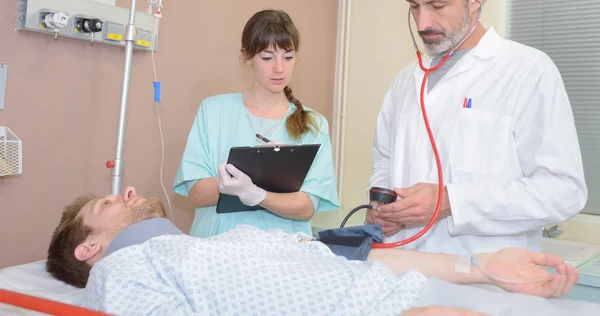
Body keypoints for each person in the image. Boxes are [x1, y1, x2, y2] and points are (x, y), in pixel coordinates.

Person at [45, 187, 600, 316]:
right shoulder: (121, 274)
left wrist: (482, 270)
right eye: (107, 201)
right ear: (90, 245)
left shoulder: (224, 243)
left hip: (404, 297)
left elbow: (356, 258)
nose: (128, 192)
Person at [366, 0, 587, 255]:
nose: (422, 22)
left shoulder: (527, 71)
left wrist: (453, 202)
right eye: (414, 6)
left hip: (484, 281)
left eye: (436, 5)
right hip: (401, 270)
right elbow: (384, 157)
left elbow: (563, 191)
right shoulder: (405, 81)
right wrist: (381, 203)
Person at [173, 9, 340, 238]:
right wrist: (228, 184)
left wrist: (257, 193)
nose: (279, 68)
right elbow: (196, 194)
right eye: (267, 57)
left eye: (288, 57)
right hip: (217, 247)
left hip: (282, 251)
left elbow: (307, 206)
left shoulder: (314, 124)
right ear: (247, 56)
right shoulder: (214, 112)